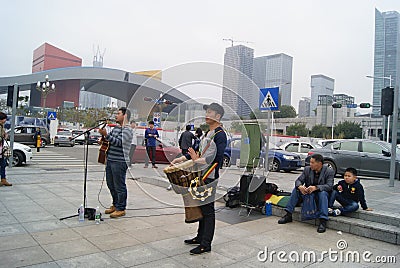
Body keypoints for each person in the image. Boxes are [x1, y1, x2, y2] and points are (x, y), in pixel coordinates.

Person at [171, 102, 227, 255]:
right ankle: (199, 237)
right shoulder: (208, 133)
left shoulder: (220, 134)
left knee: (208, 211)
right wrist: (182, 158)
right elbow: (198, 152)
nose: (207, 114)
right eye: (206, 111)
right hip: (200, 176)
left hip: (209, 178)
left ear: (218, 116)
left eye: (210, 112)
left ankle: (206, 243)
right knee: (201, 208)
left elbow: (218, 159)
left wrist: (198, 161)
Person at [278, 153, 334, 233]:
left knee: (323, 193)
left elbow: (329, 186)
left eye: (312, 163)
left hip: (319, 195)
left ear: (320, 164)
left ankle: (323, 221)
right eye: (310, 162)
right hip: (308, 194)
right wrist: (300, 186)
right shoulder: (307, 169)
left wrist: (316, 187)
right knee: (296, 190)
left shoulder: (329, 171)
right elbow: (298, 180)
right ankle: (288, 214)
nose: (310, 164)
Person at [98, 107, 132, 218]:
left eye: (118, 114)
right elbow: (110, 139)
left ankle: (121, 208)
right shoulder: (117, 128)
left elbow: (119, 142)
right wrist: (104, 138)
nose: (116, 116)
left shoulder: (128, 130)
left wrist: (106, 135)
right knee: (110, 184)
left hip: (120, 161)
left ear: (125, 116)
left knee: (119, 185)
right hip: (111, 159)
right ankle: (115, 204)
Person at [0, 112, 12, 187]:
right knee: (3, 164)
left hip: (1, 149)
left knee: (3, 164)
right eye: (4, 119)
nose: (5, 120)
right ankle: (3, 179)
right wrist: (3, 137)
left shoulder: (2, 126)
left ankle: (3, 179)